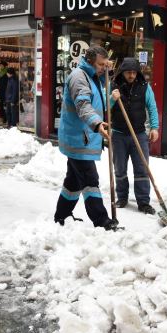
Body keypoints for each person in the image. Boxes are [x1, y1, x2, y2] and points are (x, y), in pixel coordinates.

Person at [54, 46, 117, 231]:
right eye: (100, 64)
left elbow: (100, 101)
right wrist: (97, 124)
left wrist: (107, 68)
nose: (103, 68)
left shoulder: (93, 76)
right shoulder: (78, 77)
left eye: (105, 65)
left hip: (83, 138)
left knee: (73, 182)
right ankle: (102, 222)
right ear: (89, 61)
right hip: (79, 140)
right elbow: (83, 105)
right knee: (90, 181)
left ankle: (61, 216)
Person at [109, 57, 159, 214]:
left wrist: (154, 128)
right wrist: (112, 99)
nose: (131, 75)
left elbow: (152, 107)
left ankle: (143, 202)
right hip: (118, 134)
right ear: (122, 73)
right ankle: (122, 198)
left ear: (138, 73)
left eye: (134, 72)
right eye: (128, 73)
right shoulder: (113, 86)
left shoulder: (145, 87)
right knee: (120, 169)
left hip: (139, 134)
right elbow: (104, 108)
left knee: (142, 169)